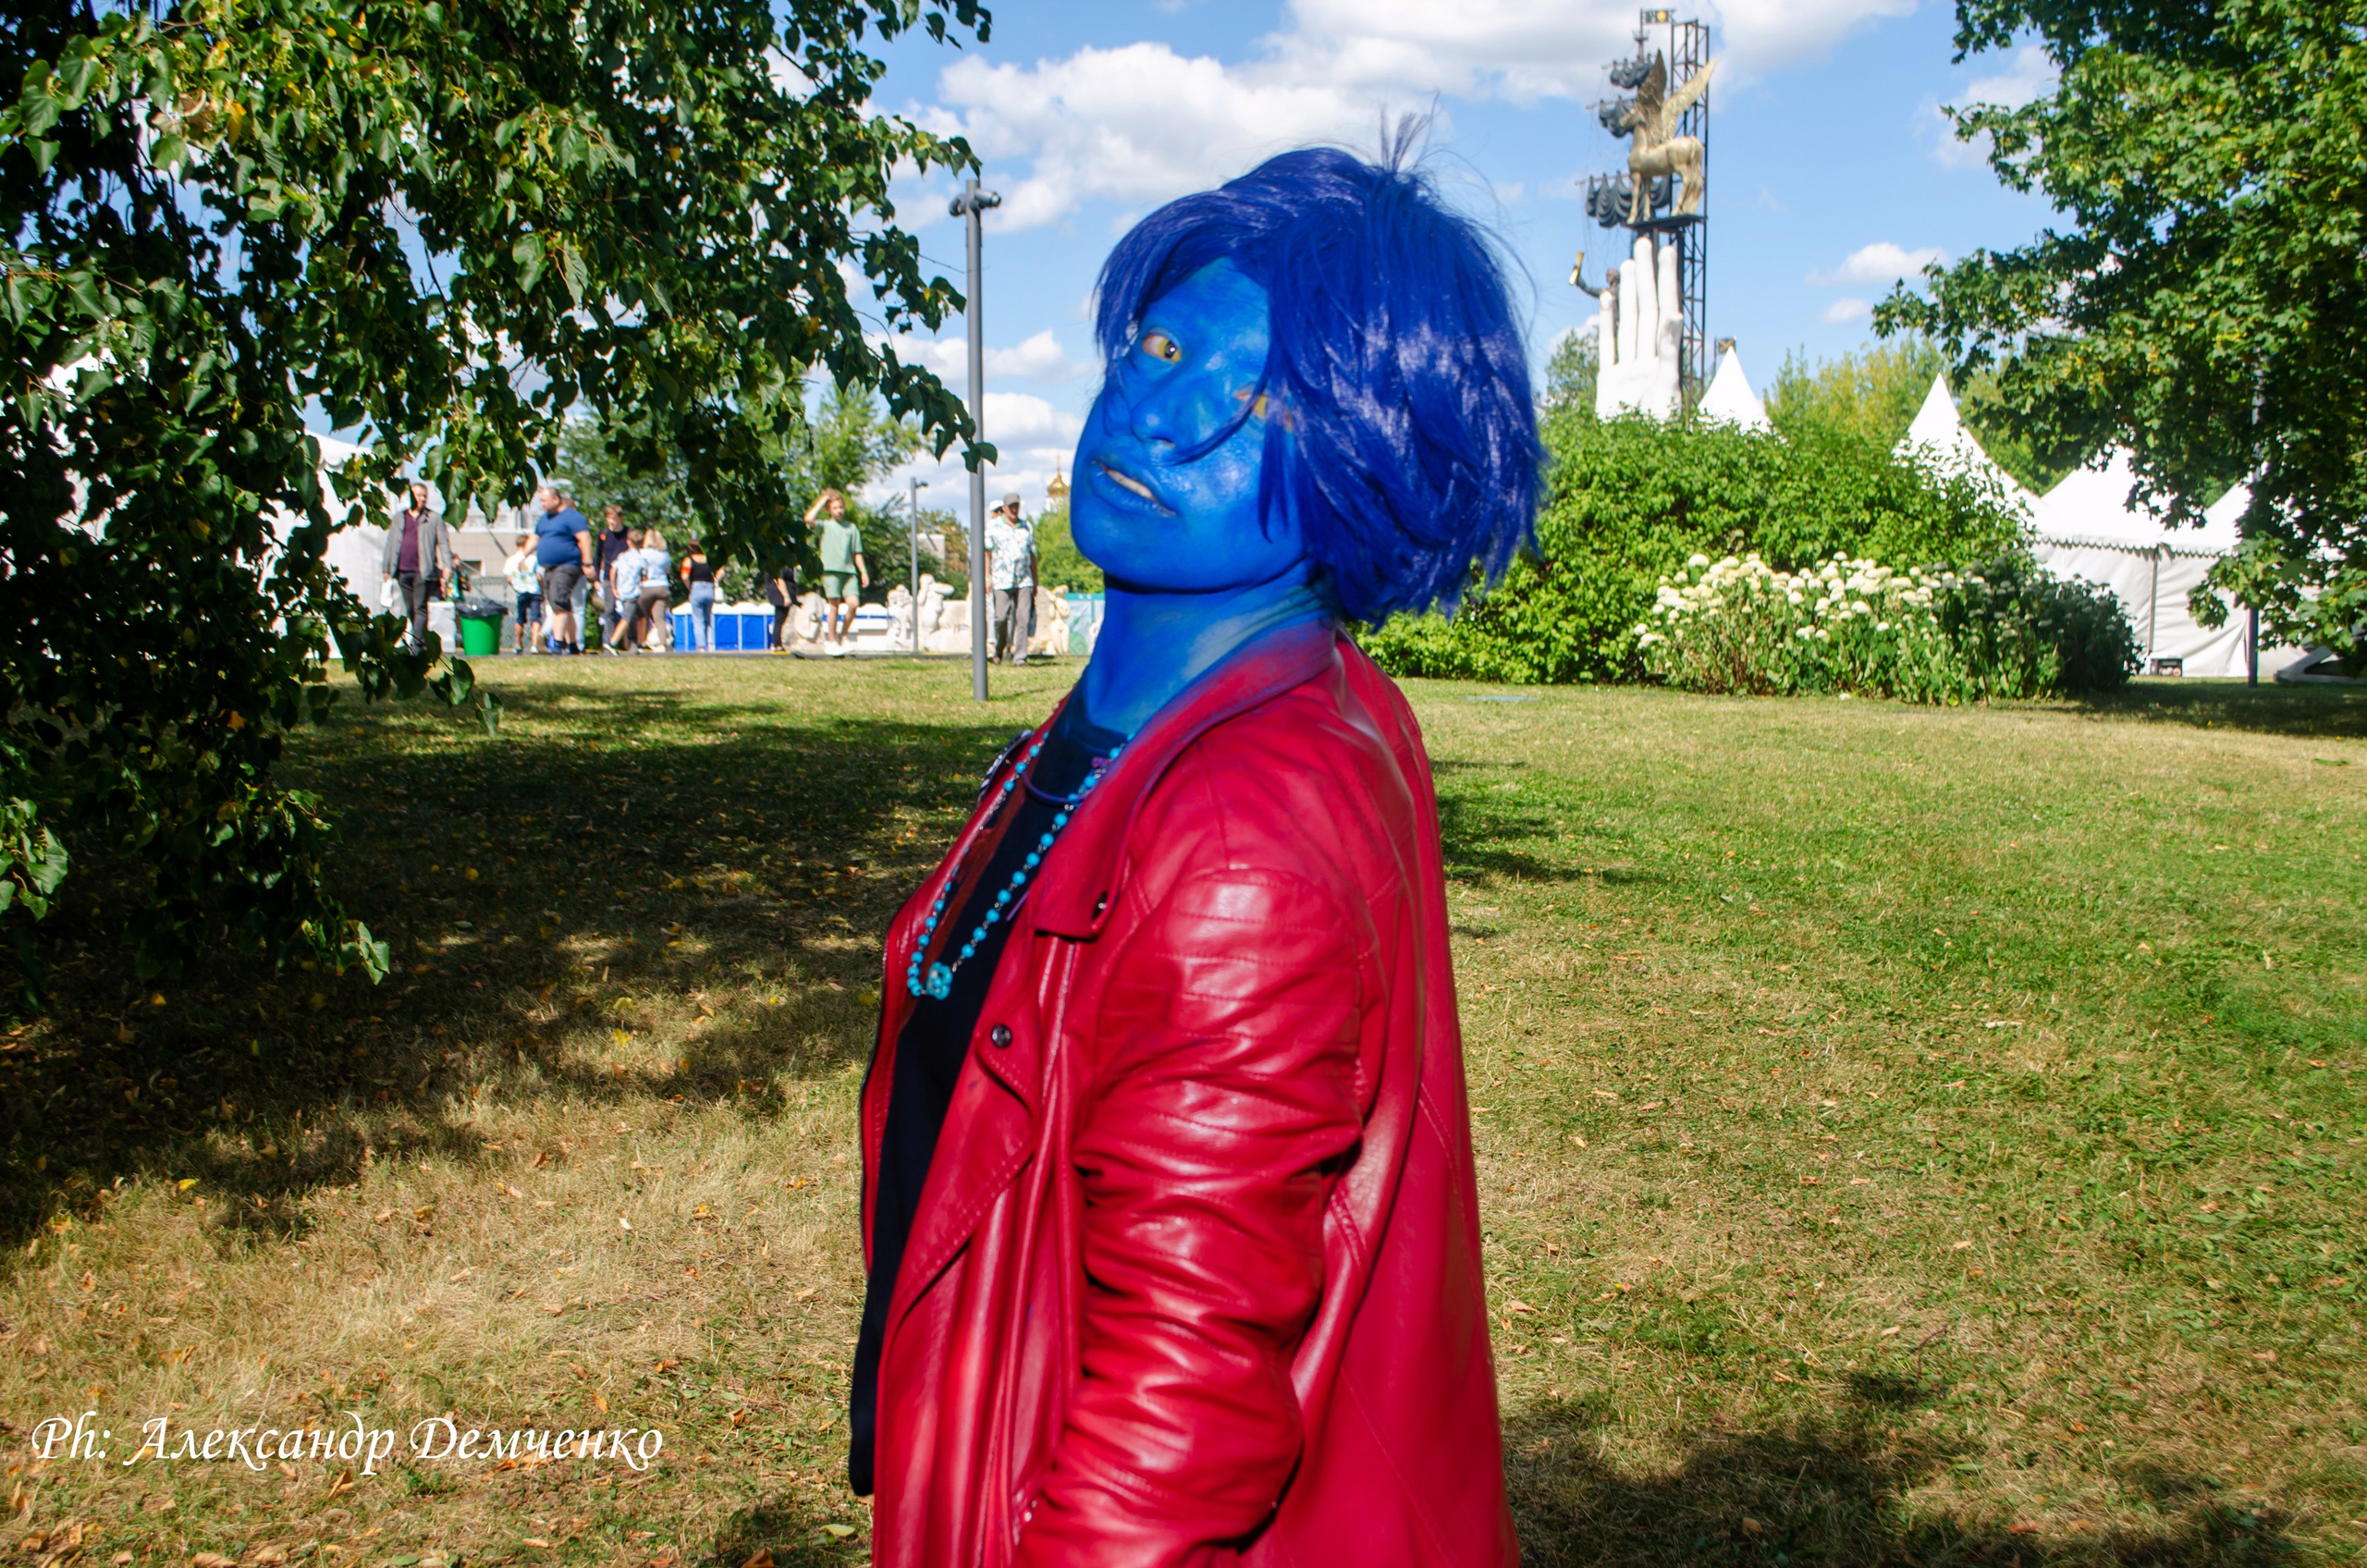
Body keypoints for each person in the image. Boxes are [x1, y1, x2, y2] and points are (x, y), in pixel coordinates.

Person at [851, 145, 1540, 1568]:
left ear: (1366, 472)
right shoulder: (1166, 703)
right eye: (1164, 346)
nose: (1161, 414)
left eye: (1258, 406)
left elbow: (1184, 1411)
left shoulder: (1243, 830)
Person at [379, 481, 453, 652]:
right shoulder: (399, 518)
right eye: (419, 496)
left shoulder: (433, 518)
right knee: (411, 608)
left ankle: (417, 645)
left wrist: (447, 565)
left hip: (423, 571)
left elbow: (443, 543)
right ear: (411, 497)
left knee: (420, 607)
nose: (422, 499)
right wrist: (386, 568)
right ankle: (420, 638)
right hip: (402, 570)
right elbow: (390, 543)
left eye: (425, 496)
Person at [532, 484, 594, 654]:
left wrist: (587, 564)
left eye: (544, 500)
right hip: (549, 568)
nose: (541, 504)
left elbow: (585, 539)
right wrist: (522, 555)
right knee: (563, 606)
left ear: (555, 499)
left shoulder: (572, 517)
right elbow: (535, 538)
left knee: (559, 603)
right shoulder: (544, 519)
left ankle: (558, 643)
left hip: (568, 565)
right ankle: (573, 645)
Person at [806, 488, 867, 654]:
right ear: (829, 510)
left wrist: (863, 571)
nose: (839, 510)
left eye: (841, 507)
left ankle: (842, 636)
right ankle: (831, 641)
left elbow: (857, 553)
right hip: (830, 570)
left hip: (849, 572)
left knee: (853, 604)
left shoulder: (851, 528)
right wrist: (823, 498)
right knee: (834, 605)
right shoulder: (825, 526)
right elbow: (808, 519)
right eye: (835, 508)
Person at [986, 492, 1037, 665]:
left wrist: (1035, 580)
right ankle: (999, 649)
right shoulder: (993, 527)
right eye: (1011, 506)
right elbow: (987, 553)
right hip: (1001, 579)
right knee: (1000, 617)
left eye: (1017, 506)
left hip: (1024, 579)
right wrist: (987, 577)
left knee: (1023, 617)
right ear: (1005, 508)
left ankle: (1020, 656)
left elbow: (1032, 554)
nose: (1014, 509)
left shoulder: (1026, 527)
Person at [595, 505, 634, 648]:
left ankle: (630, 642)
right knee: (609, 610)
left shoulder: (628, 534)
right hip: (608, 577)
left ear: (620, 518)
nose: (611, 522)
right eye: (609, 518)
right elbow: (598, 556)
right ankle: (609, 642)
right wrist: (596, 579)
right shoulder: (603, 534)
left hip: (626, 578)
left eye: (614, 518)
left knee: (628, 611)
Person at [605, 528, 647, 653]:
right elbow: (645, 575)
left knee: (638, 616)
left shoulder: (622, 557)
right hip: (633, 592)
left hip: (622, 590)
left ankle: (637, 643)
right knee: (627, 619)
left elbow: (613, 571)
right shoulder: (641, 559)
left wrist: (614, 587)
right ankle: (612, 642)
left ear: (628, 542)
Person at [503, 528, 544, 654]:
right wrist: (543, 590)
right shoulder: (533, 559)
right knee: (535, 618)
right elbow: (539, 576)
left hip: (520, 591)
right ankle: (535, 644)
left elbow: (508, 577)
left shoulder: (510, 560)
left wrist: (516, 585)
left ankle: (518, 644)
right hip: (534, 590)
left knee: (520, 618)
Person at [632, 529, 673, 652]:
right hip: (662, 586)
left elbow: (640, 570)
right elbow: (667, 571)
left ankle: (641, 642)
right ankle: (663, 644)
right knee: (659, 618)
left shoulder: (643, 553)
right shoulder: (665, 554)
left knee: (642, 616)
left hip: (647, 586)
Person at [683, 540, 717, 652]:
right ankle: (711, 644)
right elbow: (721, 571)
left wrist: (689, 587)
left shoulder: (689, 560)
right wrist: (715, 582)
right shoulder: (710, 559)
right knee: (709, 618)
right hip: (709, 588)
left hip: (696, 588)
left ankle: (701, 646)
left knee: (698, 619)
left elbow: (684, 576)